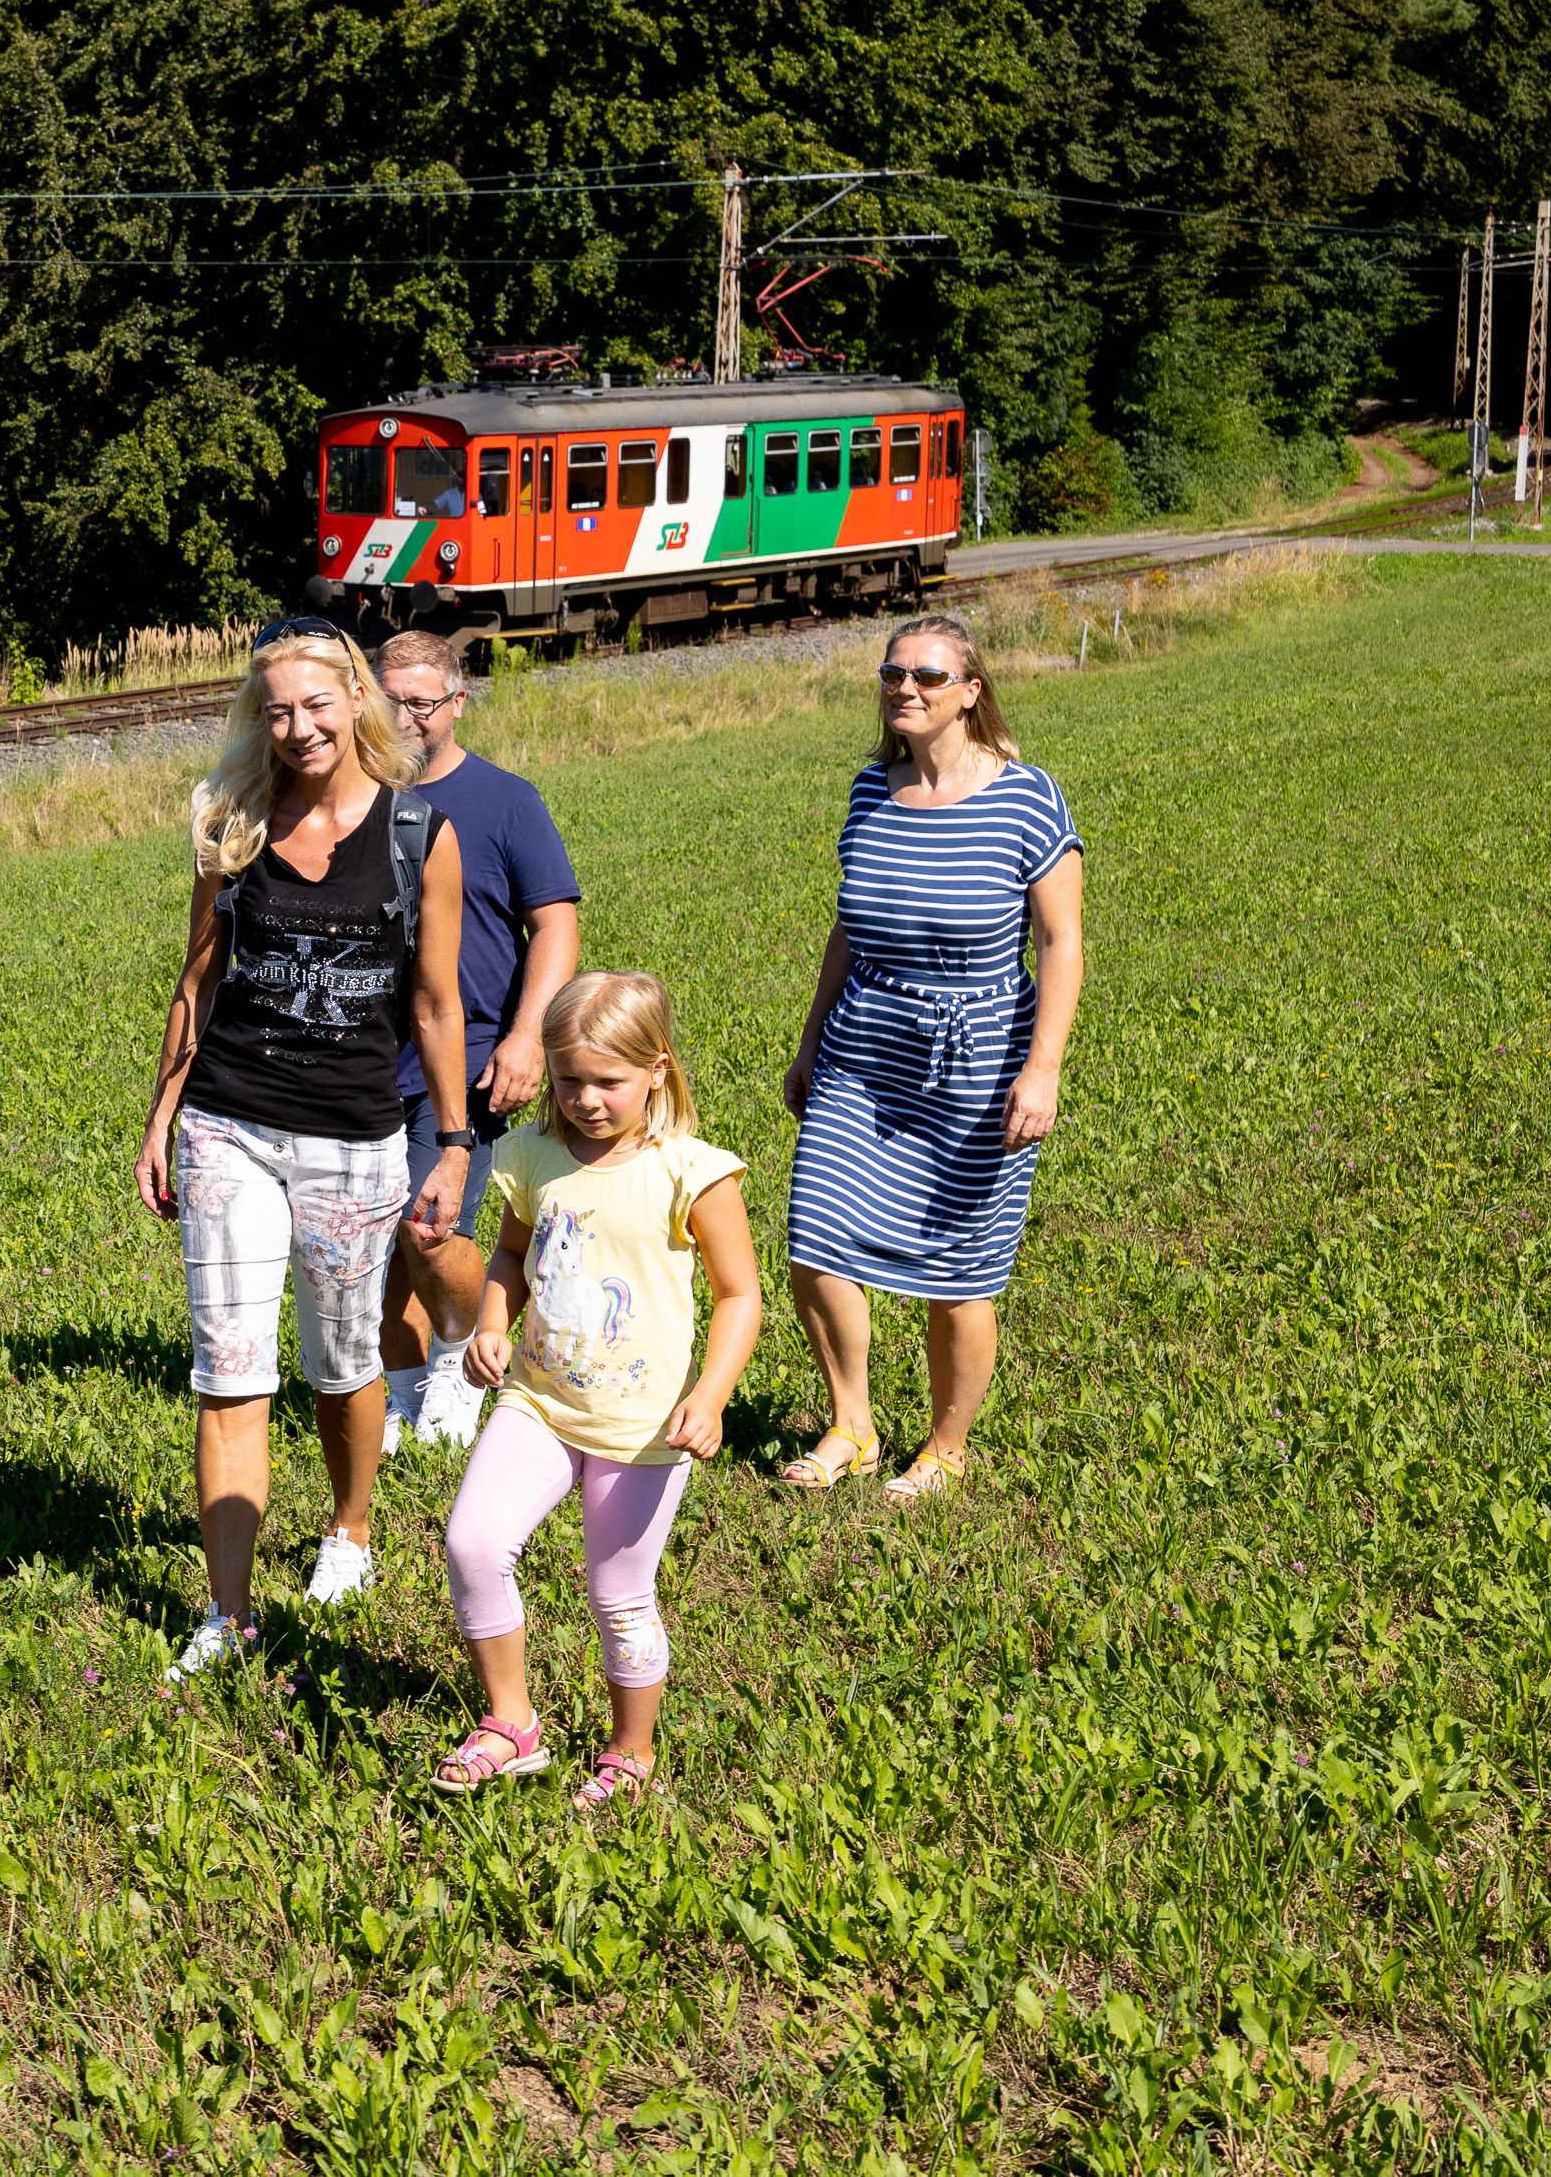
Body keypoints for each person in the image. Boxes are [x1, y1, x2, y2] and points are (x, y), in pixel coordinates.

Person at [135, 619, 473, 1674]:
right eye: (276, 710)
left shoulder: (420, 832)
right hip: (228, 1123)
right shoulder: (229, 822)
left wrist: (454, 1141)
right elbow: (195, 983)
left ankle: (348, 1529)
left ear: (355, 701)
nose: (296, 727)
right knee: (228, 1372)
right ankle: (225, 1613)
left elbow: (434, 1004)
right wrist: (160, 1116)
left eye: (315, 705)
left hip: (358, 1137)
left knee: (342, 1364)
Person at [777, 614, 1087, 1502]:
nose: (904, 688)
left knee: (960, 1270)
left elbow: (1060, 942)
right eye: (892, 673)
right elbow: (849, 923)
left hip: (976, 1057)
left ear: (969, 691)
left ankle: (947, 1447)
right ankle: (853, 1425)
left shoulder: (1025, 798)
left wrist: (1043, 1068)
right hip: (862, 1047)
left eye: (927, 675)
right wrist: (810, 1037)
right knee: (814, 1240)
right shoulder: (868, 789)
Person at [434, 972, 759, 1807]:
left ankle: (630, 1750)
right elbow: (510, 1255)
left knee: (616, 1594)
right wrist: (493, 1325)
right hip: (537, 1401)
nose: (583, 1100)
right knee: (473, 1545)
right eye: (568, 1079)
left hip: (641, 1426)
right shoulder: (532, 1158)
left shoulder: (692, 1172)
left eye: (606, 1082)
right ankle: (512, 1726)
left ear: (657, 1069)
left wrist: (712, 1395)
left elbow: (739, 1295)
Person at [370, 632, 581, 1458]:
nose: (405, 715)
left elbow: (554, 923)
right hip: (359, 1059)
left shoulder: (504, 800)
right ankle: (394, 1391)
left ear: (457, 703)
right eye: (389, 698)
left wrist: (528, 1037)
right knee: (369, 1245)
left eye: (421, 700)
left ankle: (458, 1366)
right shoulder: (347, 797)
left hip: (464, 1059)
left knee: (430, 1232)